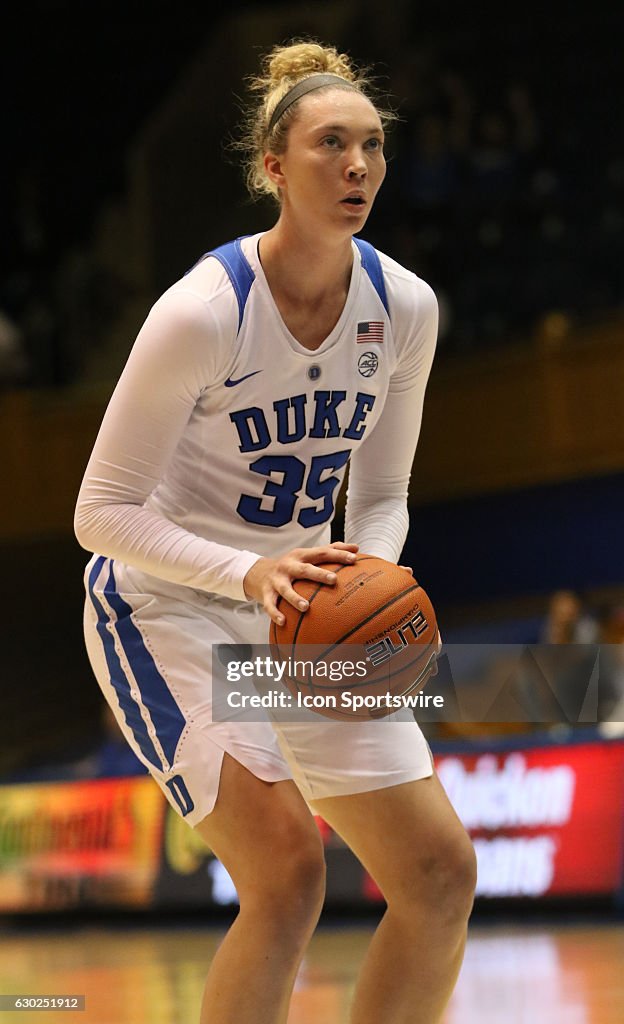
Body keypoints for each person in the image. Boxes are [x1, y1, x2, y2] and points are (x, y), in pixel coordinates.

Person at [74, 39, 476, 1024]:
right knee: (290, 873)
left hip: (299, 607)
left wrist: (363, 583)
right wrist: (248, 574)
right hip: (166, 605)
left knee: (436, 871)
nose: (357, 166)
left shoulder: (405, 308)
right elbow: (100, 511)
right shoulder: (203, 312)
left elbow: (382, 492)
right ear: (273, 166)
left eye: (372, 146)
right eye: (331, 144)